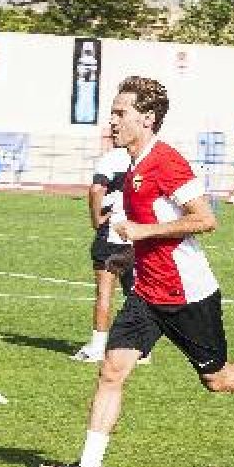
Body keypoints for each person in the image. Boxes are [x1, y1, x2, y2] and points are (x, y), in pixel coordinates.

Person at [39, 76, 234, 467]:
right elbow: (148, 233)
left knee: (218, 378)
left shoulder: (166, 162)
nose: (112, 121)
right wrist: (128, 255)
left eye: (121, 113)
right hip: (145, 294)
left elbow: (206, 219)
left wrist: (141, 230)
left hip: (187, 294)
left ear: (148, 118)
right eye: (113, 112)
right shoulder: (131, 164)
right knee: (111, 371)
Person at [71, 145, 146, 364]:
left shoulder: (111, 159)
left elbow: (96, 189)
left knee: (105, 293)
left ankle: (97, 347)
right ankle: (141, 348)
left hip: (113, 233)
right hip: (138, 233)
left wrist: (96, 220)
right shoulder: (146, 159)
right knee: (136, 293)